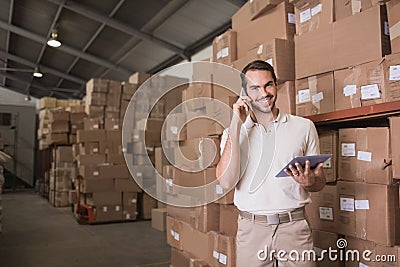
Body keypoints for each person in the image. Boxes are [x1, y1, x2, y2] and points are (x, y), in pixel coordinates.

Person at [216, 60, 326, 267]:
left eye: (268, 85)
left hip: (294, 227)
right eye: (255, 88)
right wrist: (235, 124)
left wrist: (310, 181)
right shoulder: (233, 133)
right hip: (251, 230)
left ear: (276, 85)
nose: (264, 93)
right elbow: (225, 182)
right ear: (244, 92)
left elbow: (320, 182)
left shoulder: (303, 127)